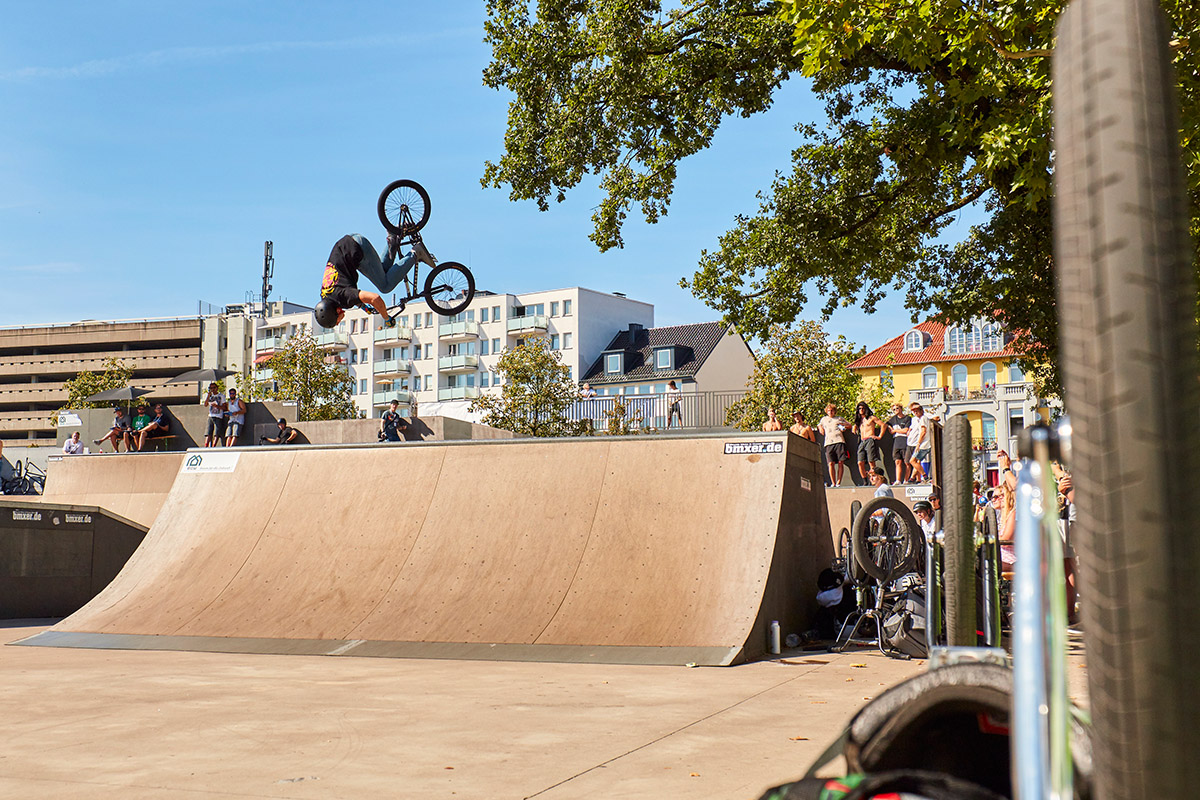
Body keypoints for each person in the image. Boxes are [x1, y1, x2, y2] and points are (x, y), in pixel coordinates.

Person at [313, 234, 436, 329]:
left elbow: (374, 298)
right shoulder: (326, 296)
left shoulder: (342, 297)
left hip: (357, 249)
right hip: (350, 243)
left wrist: (386, 318)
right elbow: (349, 294)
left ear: (336, 312)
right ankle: (394, 239)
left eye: (337, 321)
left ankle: (416, 253)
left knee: (385, 286)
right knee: (383, 274)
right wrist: (363, 306)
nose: (339, 322)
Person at [817, 403, 851, 486]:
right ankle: (833, 482)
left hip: (839, 441)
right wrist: (820, 428)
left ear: (834, 411)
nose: (830, 412)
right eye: (829, 411)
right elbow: (819, 425)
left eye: (832, 410)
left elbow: (849, 425)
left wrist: (843, 425)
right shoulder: (824, 419)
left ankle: (839, 482)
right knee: (830, 463)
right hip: (829, 443)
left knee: (840, 462)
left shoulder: (839, 418)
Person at [853, 402, 885, 481]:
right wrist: (854, 427)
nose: (861, 410)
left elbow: (883, 425)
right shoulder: (859, 420)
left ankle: (874, 480)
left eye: (863, 408)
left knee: (871, 461)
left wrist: (880, 436)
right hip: (862, 441)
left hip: (870, 439)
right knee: (860, 462)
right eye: (859, 408)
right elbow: (854, 426)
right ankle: (865, 481)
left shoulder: (871, 418)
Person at [885, 403, 912, 484]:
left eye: (897, 408)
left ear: (901, 409)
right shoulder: (893, 419)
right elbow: (886, 424)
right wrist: (890, 428)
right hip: (896, 441)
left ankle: (906, 480)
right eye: (894, 409)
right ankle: (898, 480)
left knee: (907, 462)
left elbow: (905, 430)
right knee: (897, 461)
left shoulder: (907, 418)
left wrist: (895, 430)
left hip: (905, 441)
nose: (895, 410)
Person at [905, 403, 930, 483]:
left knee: (912, 461)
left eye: (917, 411)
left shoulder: (923, 418)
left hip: (924, 445)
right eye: (914, 411)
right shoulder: (917, 419)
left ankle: (925, 476)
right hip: (924, 444)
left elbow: (923, 431)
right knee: (917, 461)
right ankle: (912, 478)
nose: (915, 412)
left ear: (921, 410)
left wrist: (918, 443)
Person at [202, 383, 227, 447]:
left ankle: (214, 446)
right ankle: (206, 446)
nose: (212, 389)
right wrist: (208, 396)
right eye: (211, 388)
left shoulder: (221, 396)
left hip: (218, 416)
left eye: (214, 388)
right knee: (208, 432)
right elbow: (205, 404)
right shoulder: (210, 396)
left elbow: (224, 407)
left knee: (217, 433)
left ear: (217, 388)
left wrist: (217, 406)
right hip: (211, 415)